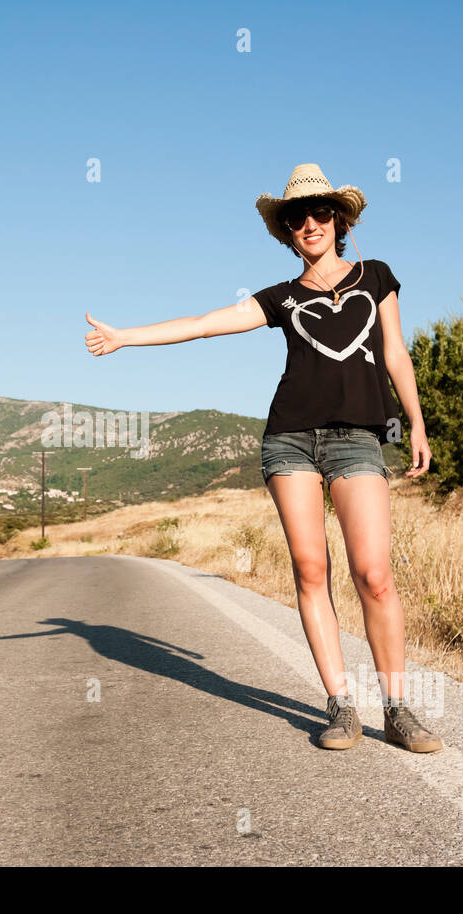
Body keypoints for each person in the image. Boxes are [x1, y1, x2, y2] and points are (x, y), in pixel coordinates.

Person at [83, 163, 443, 753]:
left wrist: (417, 423)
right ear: (286, 231)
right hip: (290, 440)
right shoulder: (280, 298)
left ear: (340, 219)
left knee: (374, 575)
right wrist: (127, 335)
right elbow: (203, 325)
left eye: (320, 212)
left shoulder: (376, 277)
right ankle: (340, 707)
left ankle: (398, 709)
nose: (309, 223)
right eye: (296, 217)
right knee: (310, 571)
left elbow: (396, 352)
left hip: (358, 439)